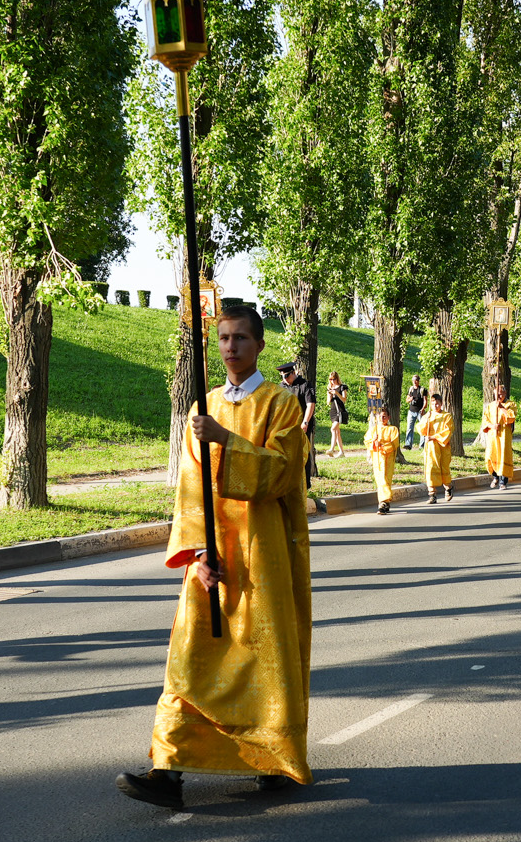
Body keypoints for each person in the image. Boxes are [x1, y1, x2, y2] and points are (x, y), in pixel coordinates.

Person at [117, 303, 312, 809]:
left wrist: (226, 438)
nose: (230, 347)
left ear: (259, 345)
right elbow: (190, 487)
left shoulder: (281, 404)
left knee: (261, 655)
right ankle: (168, 768)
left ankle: (271, 757)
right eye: (224, 338)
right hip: (212, 555)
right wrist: (199, 552)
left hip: (264, 551)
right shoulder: (201, 407)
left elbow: (282, 472)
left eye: (241, 338)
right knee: (190, 655)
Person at [277, 361, 317, 484]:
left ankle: (304, 483)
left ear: (293, 373)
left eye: (286, 376)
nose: (285, 379)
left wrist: (305, 422)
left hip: (302, 426)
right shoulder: (281, 387)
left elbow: (310, 404)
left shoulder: (304, 385)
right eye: (282, 377)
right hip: (287, 426)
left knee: (302, 453)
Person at [480, 382, 517, 489]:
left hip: (504, 435)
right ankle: (495, 476)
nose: (498, 396)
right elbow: (485, 420)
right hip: (493, 435)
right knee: (490, 456)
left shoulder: (510, 404)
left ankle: (503, 482)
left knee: (503, 457)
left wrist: (501, 408)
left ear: (505, 393)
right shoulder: (491, 405)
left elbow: (511, 417)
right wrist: (492, 426)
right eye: (496, 394)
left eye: (500, 394)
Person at [421, 391, 455, 503]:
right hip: (431, 447)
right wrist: (426, 420)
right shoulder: (428, 416)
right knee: (430, 468)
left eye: (437, 403)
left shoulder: (447, 416)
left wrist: (434, 437)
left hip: (443, 446)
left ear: (441, 404)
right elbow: (422, 429)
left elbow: (447, 431)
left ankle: (448, 487)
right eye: (433, 404)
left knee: (444, 468)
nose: (435, 406)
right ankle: (432, 494)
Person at [366, 407, 401, 514]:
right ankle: (383, 502)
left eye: (384, 416)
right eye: (380, 416)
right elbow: (367, 441)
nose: (382, 418)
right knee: (380, 479)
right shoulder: (374, 430)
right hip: (378, 459)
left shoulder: (393, 429)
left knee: (386, 479)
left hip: (388, 459)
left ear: (389, 417)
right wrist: (373, 441)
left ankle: (385, 501)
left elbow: (394, 443)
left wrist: (382, 445)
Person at [325, 372, 348, 457]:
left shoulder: (342, 387)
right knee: (337, 432)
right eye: (330, 379)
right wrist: (329, 394)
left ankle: (332, 449)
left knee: (333, 429)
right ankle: (341, 452)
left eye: (334, 379)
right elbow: (328, 402)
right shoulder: (330, 388)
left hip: (340, 411)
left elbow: (344, 399)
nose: (332, 381)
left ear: (337, 379)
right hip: (333, 411)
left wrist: (337, 393)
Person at [403, 375, 425, 451]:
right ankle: (408, 444)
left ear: (418, 381)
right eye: (414, 380)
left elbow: (425, 401)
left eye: (416, 380)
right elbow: (407, 400)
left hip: (420, 411)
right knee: (409, 428)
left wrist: (423, 409)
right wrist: (410, 399)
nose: (415, 382)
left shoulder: (422, 390)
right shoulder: (411, 389)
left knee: (422, 428)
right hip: (411, 411)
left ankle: (422, 445)